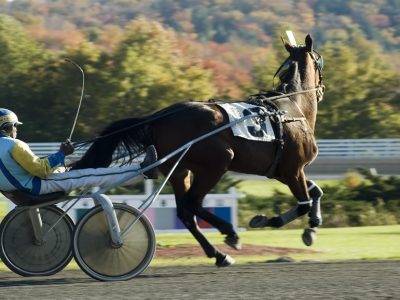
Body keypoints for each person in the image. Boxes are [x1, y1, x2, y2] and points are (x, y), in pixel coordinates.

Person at [0, 108, 157, 196]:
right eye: (15, 126)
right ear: (7, 127)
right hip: (36, 186)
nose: (16, 130)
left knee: (72, 171)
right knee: (92, 175)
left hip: (20, 189)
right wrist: (62, 154)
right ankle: (141, 172)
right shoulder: (15, 145)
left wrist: (59, 162)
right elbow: (41, 170)